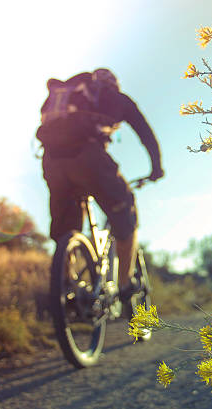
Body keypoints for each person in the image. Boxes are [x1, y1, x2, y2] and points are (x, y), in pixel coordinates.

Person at [37, 68, 163, 301]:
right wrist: (156, 167)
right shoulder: (117, 98)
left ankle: (67, 290)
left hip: (52, 161)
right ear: (114, 84)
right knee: (125, 207)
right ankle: (124, 285)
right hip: (88, 159)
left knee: (66, 230)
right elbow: (146, 134)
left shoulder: (67, 95)